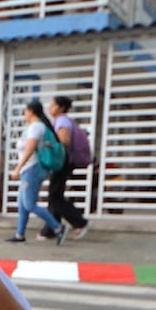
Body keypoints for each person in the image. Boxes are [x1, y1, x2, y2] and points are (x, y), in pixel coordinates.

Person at [7, 100, 66, 244]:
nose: (24, 114)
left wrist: (17, 169)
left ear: (31, 111)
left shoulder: (36, 127)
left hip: (33, 168)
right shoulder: (33, 127)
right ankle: (19, 234)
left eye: (25, 111)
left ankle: (58, 228)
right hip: (29, 169)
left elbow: (30, 149)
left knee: (29, 204)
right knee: (22, 204)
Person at [38, 95, 90, 241]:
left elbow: (65, 141)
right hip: (65, 161)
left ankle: (79, 222)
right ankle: (51, 229)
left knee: (55, 195)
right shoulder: (65, 120)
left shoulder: (62, 121)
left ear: (60, 107)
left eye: (53, 105)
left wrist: (49, 144)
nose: (50, 108)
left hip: (63, 161)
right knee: (55, 194)